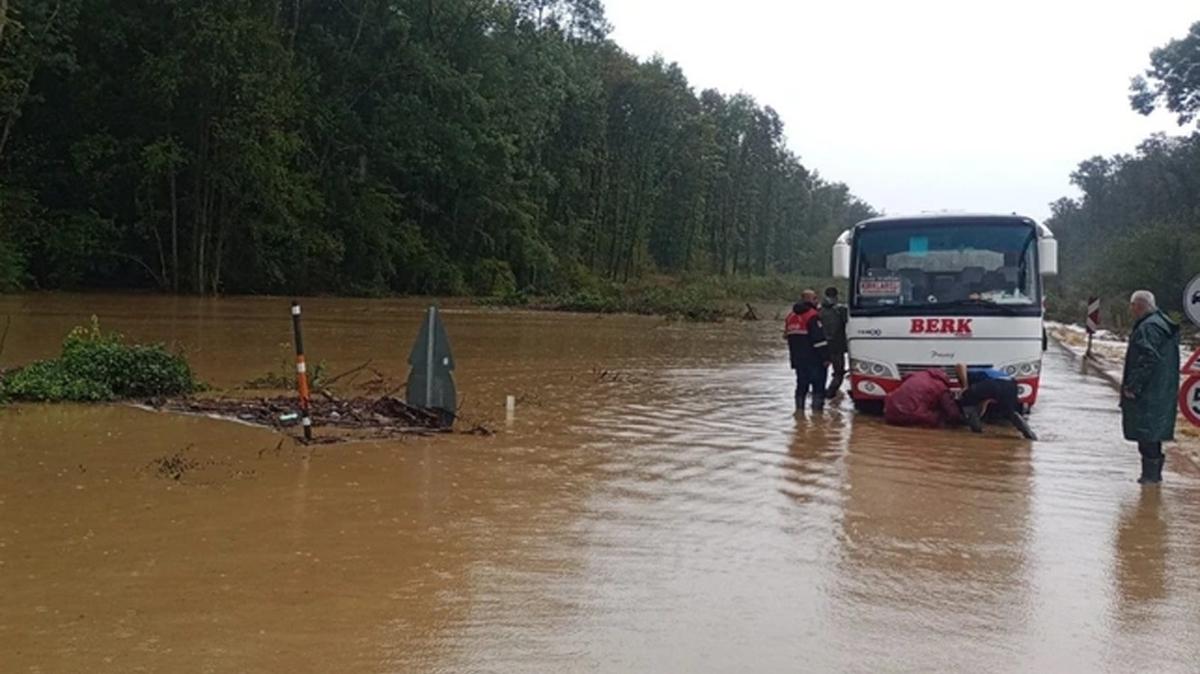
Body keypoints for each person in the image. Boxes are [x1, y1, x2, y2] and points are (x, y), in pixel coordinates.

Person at [1120, 290, 1180, 485]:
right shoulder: (1160, 323)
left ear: (1139, 305)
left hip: (1149, 392)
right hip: (1160, 390)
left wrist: (1133, 386)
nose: (1131, 310)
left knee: (1146, 434)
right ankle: (1152, 476)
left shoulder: (1149, 328)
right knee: (1152, 433)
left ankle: (1151, 477)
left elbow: (1148, 358)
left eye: (1132, 305)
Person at [953, 363, 1037, 440]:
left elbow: (960, 365)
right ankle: (1029, 435)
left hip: (995, 383)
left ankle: (976, 433)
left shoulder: (972, 371)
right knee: (1010, 412)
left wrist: (965, 386)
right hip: (1011, 384)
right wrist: (978, 415)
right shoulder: (987, 375)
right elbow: (983, 403)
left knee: (966, 397)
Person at [785, 289, 829, 411]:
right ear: (809, 300)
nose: (817, 301)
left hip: (798, 360)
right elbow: (819, 340)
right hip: (815, 360)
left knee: (801, 386)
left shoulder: (790, 317)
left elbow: (786, 337)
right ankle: (817, 417)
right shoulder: (812, 316)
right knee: (818, 388)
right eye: (815, 298)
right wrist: (826, 358)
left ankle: (799, 414)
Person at [883, 368, 960, 428]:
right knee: (940, 418)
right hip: (913, 416)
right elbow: (952, 413)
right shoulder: (941, 387)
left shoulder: (915, 376)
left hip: (890, 413)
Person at [820, 287, 849, 399]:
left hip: (821, 346)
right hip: (837, 346)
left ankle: (819, 394)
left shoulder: (819, 310)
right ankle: (830, 395)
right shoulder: (841, 309)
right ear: (836, 296)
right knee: (839, 373)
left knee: (820, 371)